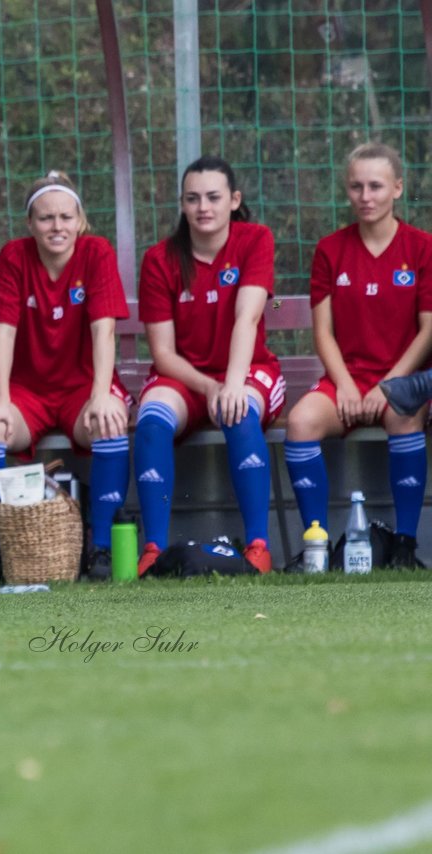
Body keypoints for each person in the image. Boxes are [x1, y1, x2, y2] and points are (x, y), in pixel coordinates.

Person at [0, 171, 132, 581]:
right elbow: (3, 334)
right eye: (45, 218)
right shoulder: (14, 255)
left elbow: (104, 330)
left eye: (65, 217)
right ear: (30, 223)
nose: (56, 227)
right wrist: (1, 400)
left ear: (80, 220)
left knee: (109, 422)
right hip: (28, 392)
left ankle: (101, 549)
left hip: (83, 387)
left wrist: (101, 394)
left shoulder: (96, 252)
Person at [133, 155, 285, 575]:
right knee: (151, 420)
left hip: (248, 368)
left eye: (214, 197)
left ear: (234, 200)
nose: (204, 207)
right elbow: (163, 354)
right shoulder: (160, 258)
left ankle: (258, 546)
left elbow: (247, 317)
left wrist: (231, 385)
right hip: (188, 378)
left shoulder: (255, 239)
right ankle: (153, 552)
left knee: (240, 412)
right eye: (193, 198)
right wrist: (210, 387)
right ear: (182, 204)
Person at [284, 143, 432, 568]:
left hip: (402, 378)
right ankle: (317, 548)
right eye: (356, 186)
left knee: (404, 413)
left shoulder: (422, 248)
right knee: (300, 421)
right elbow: (323, 333)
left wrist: (391, 386)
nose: (365, 196)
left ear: (398, 189)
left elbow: (428, 331)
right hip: (345, 380)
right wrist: (346, 384)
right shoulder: (330, 249)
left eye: (375, 186)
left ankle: (404, 546)